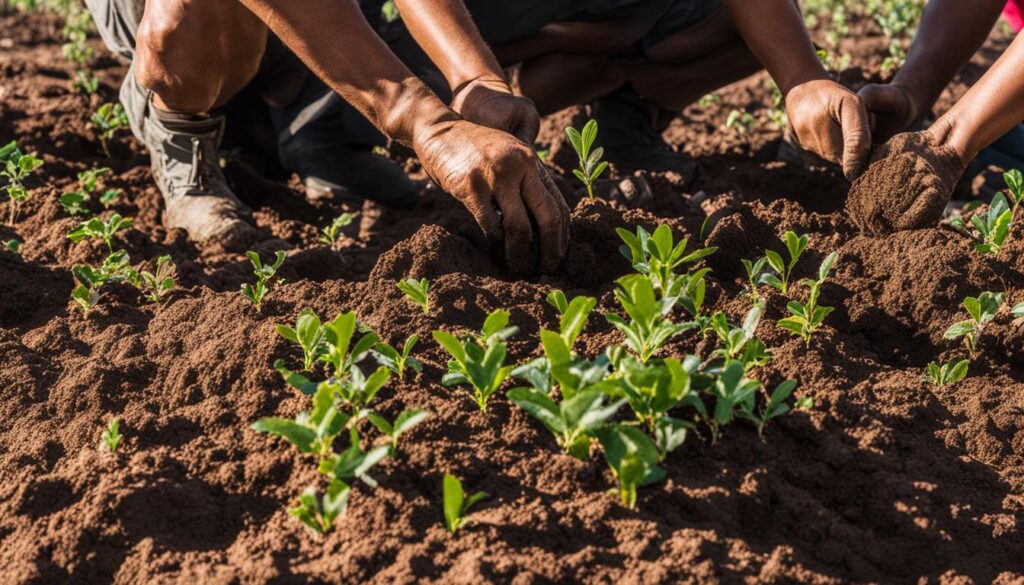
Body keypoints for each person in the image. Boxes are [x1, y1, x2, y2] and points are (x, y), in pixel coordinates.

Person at [84, 0, 569, 275]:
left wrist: (474, 83)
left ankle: (311, 134)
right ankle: (181, 139)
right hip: (176, 20)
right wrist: (429, 124)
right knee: (186, 24)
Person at [378, 0, 875, 181]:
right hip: (424, 30)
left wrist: (802, 80)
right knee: (343, 117)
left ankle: (619, 121)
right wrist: (477, 81)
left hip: (577, 23)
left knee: (735, 25)